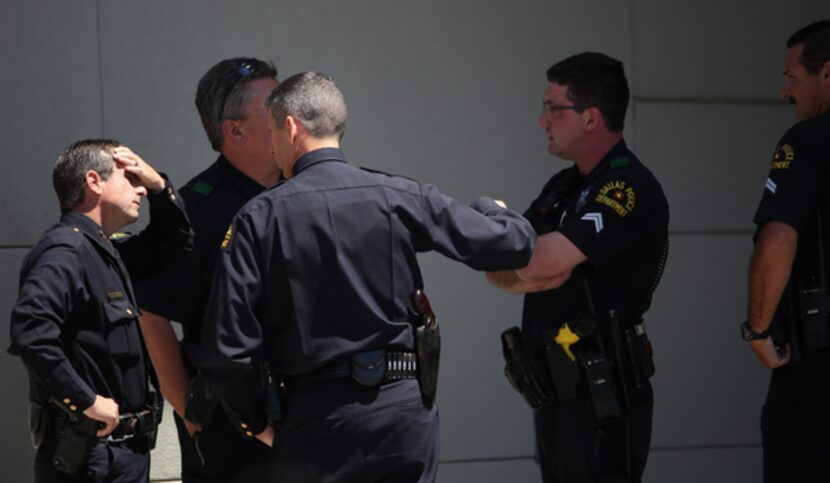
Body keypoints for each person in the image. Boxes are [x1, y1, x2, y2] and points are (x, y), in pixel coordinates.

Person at [197, 71, 536, 483]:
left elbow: (228, 350)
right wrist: (492, 207)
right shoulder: (398, 195)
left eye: (271, 131)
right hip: (402, 413)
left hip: (314, 418)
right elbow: (513, 244)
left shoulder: (258, 218)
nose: (271, 146)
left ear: (290, 127)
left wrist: (258, 422)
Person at [487, 52, 669, 482]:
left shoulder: (626, 185)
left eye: (552, 108)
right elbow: (497, 265)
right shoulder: (563, 186)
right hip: (556, 390)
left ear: (591, 118)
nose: (541, 120)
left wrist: (533, 265)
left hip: (603, 393)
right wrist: (533, 271)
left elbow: (537, 259)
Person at [8, 139, 193, 482]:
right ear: (94, 181)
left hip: (122, 456)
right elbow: (31, 333)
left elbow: (174, 243)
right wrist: (85, 401)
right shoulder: (66, 251)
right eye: (131, 179)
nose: (140, 189)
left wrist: (159, 186)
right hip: (92, 460)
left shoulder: (104, 250)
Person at [134, 57, 278, 482]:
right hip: (229, 425)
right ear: (234, 130)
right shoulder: (197, 210)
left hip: (304, 417)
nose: (292, 114)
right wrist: (188, 410)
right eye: (274, 106)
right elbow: (151, 308)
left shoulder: (306, 190)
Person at [743, 20, 830, 482]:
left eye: (792, 77)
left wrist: (756, 329)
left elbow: (779, 237)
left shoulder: (807, 141)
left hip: (817, 373)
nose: (784, 92)